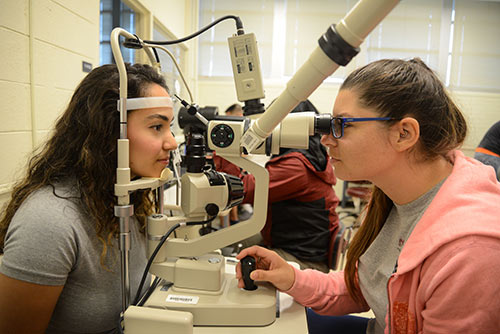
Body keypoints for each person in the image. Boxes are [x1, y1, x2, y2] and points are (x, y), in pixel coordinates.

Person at [235, 58, 500, 333]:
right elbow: (363, 287)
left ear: (403, 134)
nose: (326, 139)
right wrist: (292, 277)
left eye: (342, 125)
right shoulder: (393, 196)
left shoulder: (470, 252)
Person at [0, 63, 178, 333]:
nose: (172, 142)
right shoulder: (49, 221)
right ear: (109, 131)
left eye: (169, 127)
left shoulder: (127, 200)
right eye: (156, 127)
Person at [216, 100, 340, 273]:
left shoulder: (296, 167)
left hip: (302, 258)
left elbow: (239, 191)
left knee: (225, 263)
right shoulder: (311, 158)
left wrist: (223, 147)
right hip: (295, 243)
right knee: (227, 242)